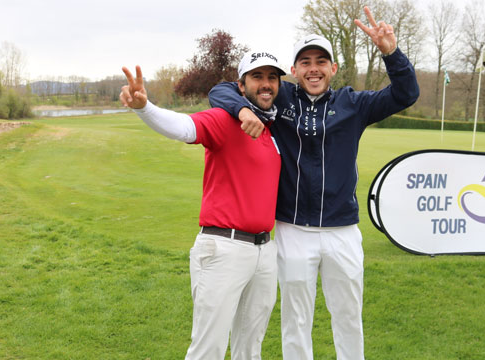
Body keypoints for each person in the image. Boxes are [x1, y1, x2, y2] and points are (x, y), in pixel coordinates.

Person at [208, 7, 419, 360]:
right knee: (296, 319)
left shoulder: (354, 103)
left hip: (343, 231)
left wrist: (391, 53)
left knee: (348, 317)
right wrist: (243, 111)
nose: (313, 68)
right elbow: (223, 90)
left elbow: (405, 93)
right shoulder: (281, 97)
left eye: (321, 61)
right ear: (294, 71)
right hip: (292, 229)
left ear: (333, 69)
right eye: (305, 62)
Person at [120, 51, 286, 360]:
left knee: (250, 350)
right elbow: (184, 127)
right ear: (241, 85)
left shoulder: (270, 129)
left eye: (272, 78)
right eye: (257, 77)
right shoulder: (225, 120)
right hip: (224, 248)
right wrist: (145, 108)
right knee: (208, 349)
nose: (265, 84)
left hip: (264, 251)